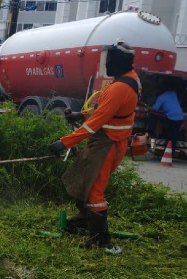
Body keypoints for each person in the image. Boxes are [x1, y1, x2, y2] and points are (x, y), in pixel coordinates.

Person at [49, 39, 140, 255]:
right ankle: (83, 221)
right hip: (107, 140)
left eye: (108, 60)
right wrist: (82, 114)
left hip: (107, 144)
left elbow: (94, 124)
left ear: (116, 62)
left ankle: (102, 240)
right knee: (81, 179)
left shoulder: (120, 88)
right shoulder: (130, 80)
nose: (105, 64)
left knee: (94, 192)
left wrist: (64, 142)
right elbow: (107, 112)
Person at [147, 80, 184, 155]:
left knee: (152, 114)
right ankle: (170, 152)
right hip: (180, 118)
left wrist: (146, 106)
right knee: (173, 136)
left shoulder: (161, 97)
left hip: (171, 118)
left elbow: (155, 109)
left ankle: (151, 132)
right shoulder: (173, 94)